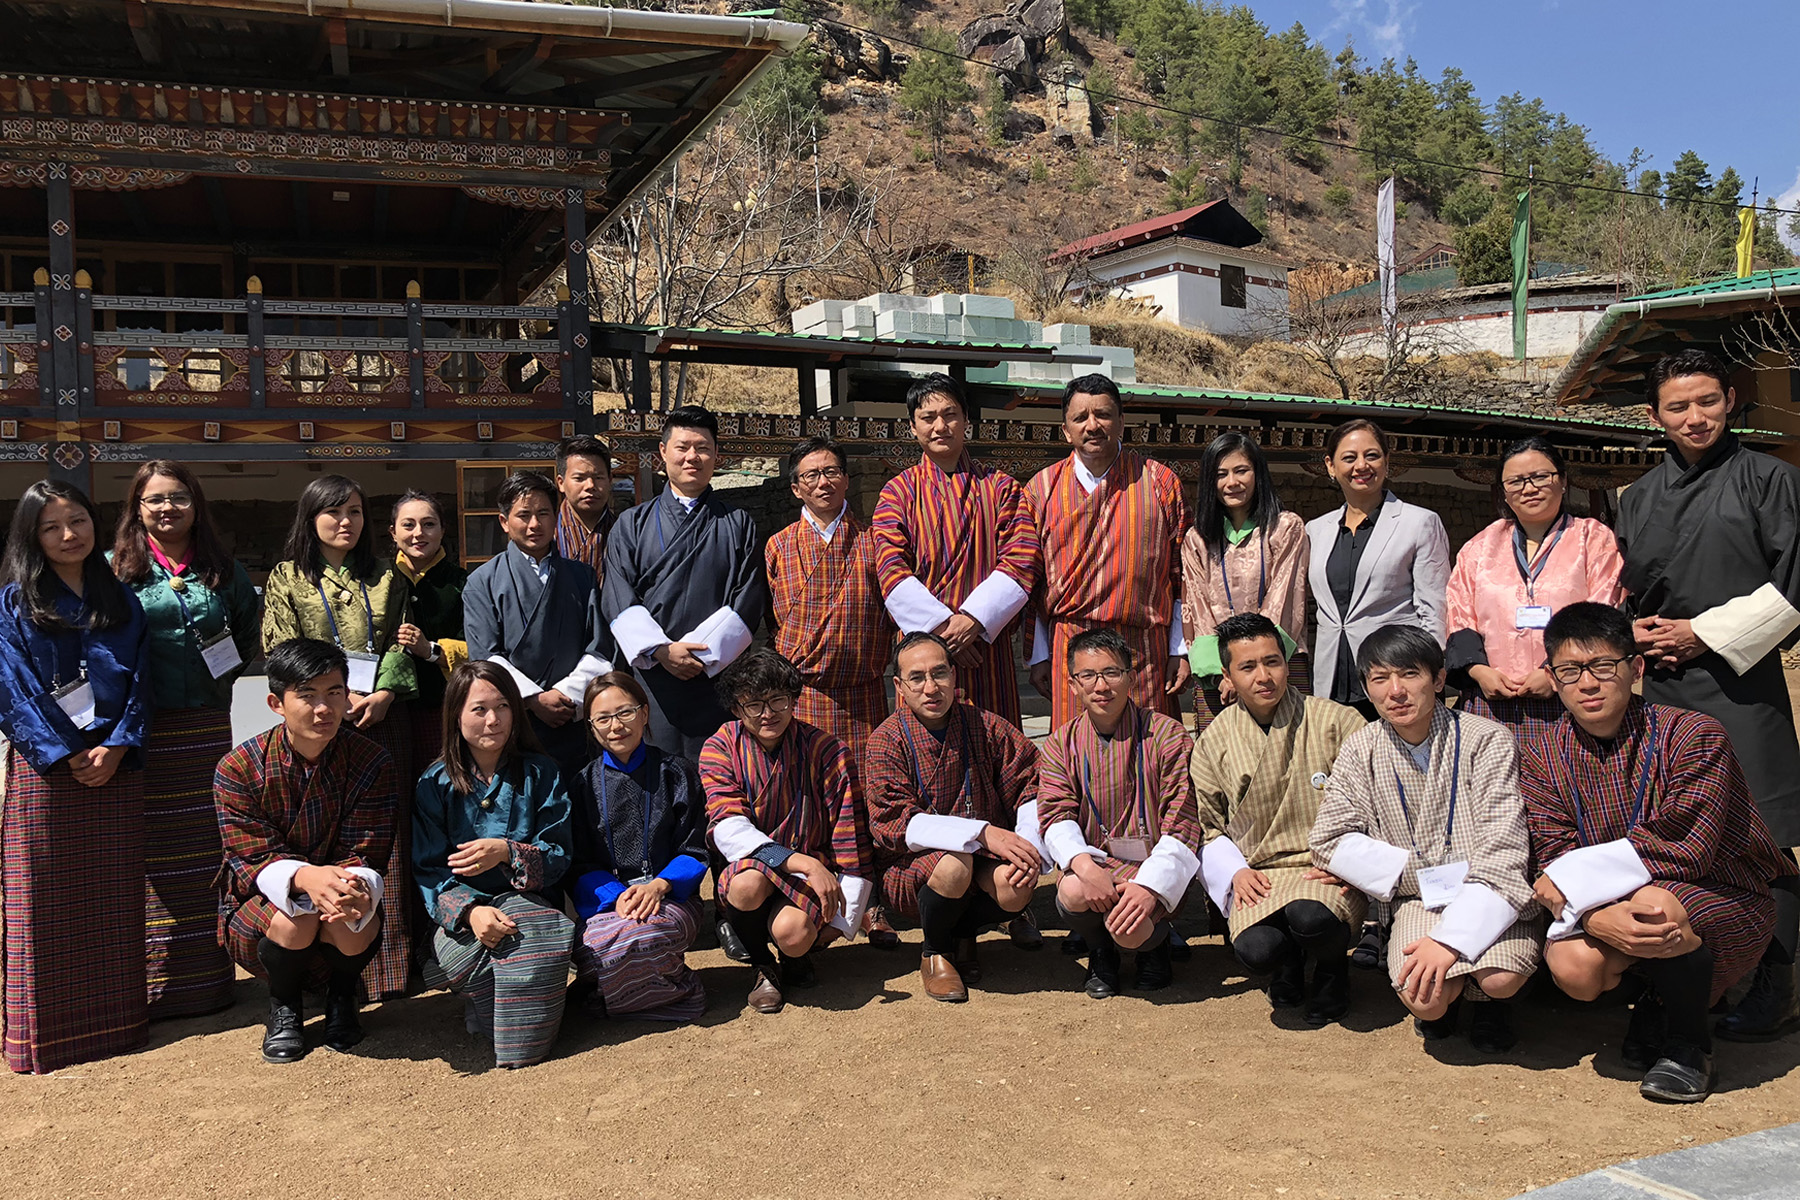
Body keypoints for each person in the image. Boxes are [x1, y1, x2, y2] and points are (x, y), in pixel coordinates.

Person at [1521, 603, 1788, 1103]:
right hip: (1607, 904)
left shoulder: (1693, 735)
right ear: (1552, 679)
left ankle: (1689, 1046)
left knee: (1653, 905)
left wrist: (1581, 890)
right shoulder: (1541, 753)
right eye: (1570, 671)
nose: (1588, 684)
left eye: (1604, 666)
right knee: (1573, 967)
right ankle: (1657, 997)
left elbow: (1686, 845)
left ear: (1635, 667)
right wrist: (1596, 916)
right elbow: (1551, 851)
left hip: (1721, 891)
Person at [1615, 349, 1800, 1043]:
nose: (1695, 418)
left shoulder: (1772, 480)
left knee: (1766, 834)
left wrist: (1704, 632)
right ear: (1655, 416)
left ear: (1730, 398)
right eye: (1678, 407)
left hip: (1740, 680)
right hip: (1663, 686)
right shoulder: (1638, 497)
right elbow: (1624, 589)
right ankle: (1700, 975)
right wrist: (1635, 633)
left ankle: (1778, 988)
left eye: (1707, 402)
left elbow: (1793, 587)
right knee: (1683, 833)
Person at [1309, 624, 1542, 1053]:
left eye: (1409, 674)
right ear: (1367, 688)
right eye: (1380, 679)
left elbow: (1505, 847)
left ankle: (1489, 1004)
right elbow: (1328, 840)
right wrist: (1415, 879)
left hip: (1488, 888)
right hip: (1419, 899)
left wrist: (1448, 940)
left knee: (1501, 978)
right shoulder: (1361, 748)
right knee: (1426, 999)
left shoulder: (1486, 739)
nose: (1395, 691)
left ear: (1437, 679)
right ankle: (1450, 1003)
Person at [0, 480, 151, 1073]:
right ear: (32, 536)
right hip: (49, 773)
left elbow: (140, 678)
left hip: (113, 768)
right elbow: (11, 687)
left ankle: (116, 1023)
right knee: (43, 896)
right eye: (52, 526)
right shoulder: (14, 603)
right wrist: (62, 752)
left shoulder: (121, 598)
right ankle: (49, 1033)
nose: (69, 535)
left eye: (78, 521)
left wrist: (117, 745)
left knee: (113, 895)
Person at [111, 460, 260, 1020]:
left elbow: (247, 628)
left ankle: (207, 981)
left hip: (204, 725)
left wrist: (221, 675)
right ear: (137, 509)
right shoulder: (116, 569)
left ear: (195, 504)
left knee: (204, 844)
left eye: (178, 497)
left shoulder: (222, 570)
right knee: (151, 850)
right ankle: (155, 982)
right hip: (143, 727)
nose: (167, 508)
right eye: (154, 500)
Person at [262, 473, 418, 996]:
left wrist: (386, 694)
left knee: (380, 841)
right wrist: (334, 696)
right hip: (317, 720)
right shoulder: (287, 576)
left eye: (354, 511)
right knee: (320, 830)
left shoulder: (388, 576)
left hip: (378, 718)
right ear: (310, 519)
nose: (345, 521)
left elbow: (399, 640)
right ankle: (312, 967)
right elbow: (280, 649)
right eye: (332, 512)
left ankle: (385, 970)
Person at [214, 639, 395, 1064]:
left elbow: (367, 850)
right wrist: (305, 879)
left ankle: (342, 996)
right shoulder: (237, 767)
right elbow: (250, 855)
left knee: (351, 920)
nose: (323, 709)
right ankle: (284, 1005)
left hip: (341, 888)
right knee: (298, 919)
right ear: (277, 702)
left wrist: (345, 886)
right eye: (307, 695)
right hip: (261, 900)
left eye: (334, 693)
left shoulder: (371, 761)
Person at [1191, 614, 1367, 1025]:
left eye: (1272, 662)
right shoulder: (1214, 739)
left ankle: (1331, 969)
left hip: (1323, 866)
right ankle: (1287, 967)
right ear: (1227, 675)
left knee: (1311, 918)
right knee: (1258, 951)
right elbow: (1207, 824)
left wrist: (1351, 864)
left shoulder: (1334, 721)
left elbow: (1370, 800)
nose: (1263, 676)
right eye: (1247, 667)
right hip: (1259, 871)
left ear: (1288, 662)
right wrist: (1233, 872)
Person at [765, 436, 901, 948]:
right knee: (812, 799)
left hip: (863, 691)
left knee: (867, 796)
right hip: (805, 694)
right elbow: (774, 622)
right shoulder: (778, 546)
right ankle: (815, 897)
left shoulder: (875, 541)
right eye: (810, 475)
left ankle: (872, 905)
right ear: (796, 487)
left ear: (846, 478)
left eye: (831, 472)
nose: (823, 482)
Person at [413, 661, 576, 1069]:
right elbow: (430, 869)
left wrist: (508, 851)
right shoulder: (434, 784)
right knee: (459, 957)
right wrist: (471, 912)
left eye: (503, 706)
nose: (493, 720)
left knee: (529, 943)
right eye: (479, 709)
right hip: (467, 912)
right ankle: (503, 995)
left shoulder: (543, 773)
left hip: (530, 906)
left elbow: (559, 854)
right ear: (455, 716)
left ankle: (515, 1034)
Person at [864, 632, 1042, 1003]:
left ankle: (965, 936)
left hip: (983, 858)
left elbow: (1031, 782)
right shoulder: (886, 740)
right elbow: (896, 824)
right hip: (912, 867)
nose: (931, 687)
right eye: (917, 678)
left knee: (1017, 883)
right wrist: (984, 833)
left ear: (954, 677)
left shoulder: (986, 725)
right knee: (954, 865)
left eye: (940, 673)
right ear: (899, 686)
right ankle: (936, 951)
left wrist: (1024, 842)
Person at [701, 649, 874, 1014]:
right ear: (736, 709)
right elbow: (729, 828)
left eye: (778, 700)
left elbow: (849, 835)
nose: (768, 714)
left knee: (794, 936)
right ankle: (763, 965)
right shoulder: (719, 747)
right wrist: (800, 863)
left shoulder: (828, 750)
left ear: (794, 700)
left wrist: (847, 918)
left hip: (813, 867)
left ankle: (794, 955)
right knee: (745, 887)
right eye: (754, 705)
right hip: (754, 866)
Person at [1037, 629, 1199, 999]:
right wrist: (1086, 866)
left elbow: (1184, 822)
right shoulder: (1061, 744)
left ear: (1131, 676)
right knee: (1075, 890)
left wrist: (1148, 886)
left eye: (1112, 672)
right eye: (1088, 675)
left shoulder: (1167, 735)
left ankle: (1153, 948)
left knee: (1133, 930)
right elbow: (1055, 815)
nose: (1101, 685)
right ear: (1074, 684)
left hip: (1151, 868)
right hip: (1097, 867)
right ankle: (1101, 952)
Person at [871, 373, 1038, 726]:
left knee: (997, 753)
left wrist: (974, 621)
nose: (940, 426)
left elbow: (1022, 557)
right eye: (928, 418)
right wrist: (945, 630)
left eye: (950, 414)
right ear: (913, 427)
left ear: (966, 421)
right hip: (922, 655)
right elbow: (890, 568)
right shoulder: (897, 493)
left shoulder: (1001, 488)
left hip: (985, 653)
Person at [1026, 373, 1189, 728]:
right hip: (1070, 645)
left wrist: (1180, 647)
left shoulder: (1160, 482)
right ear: (1066, 429)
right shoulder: (1042, 489)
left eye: (1103, 414)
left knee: (1148, 753)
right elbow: (1032, 579)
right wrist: (1040, 653)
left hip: (1142, 648)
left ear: (1121, 423)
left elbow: (1182, 575)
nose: (1092, 425)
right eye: (1080, 417)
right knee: (1074, 755)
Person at [604, 404, 766, 760]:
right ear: (663, 453)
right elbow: (617, 596)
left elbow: (749, 598)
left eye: (703, 448)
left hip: (717, 677)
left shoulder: (738, 523)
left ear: (716, 456)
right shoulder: (631, 524)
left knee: (718, 778)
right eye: (682, 447)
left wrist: (701, 655)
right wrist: (662, 651)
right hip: (652, 678)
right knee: (656, 778)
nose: (692, 456)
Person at [1446, 437, 1623, 738]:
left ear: (1563, 481)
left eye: (1540, 477)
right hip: (1493, 700)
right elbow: (1459, 613)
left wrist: (1553, 672)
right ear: (1503, 491)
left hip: (1571, 692)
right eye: (1515, 481)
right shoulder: (1479, 547)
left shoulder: (1592, 539)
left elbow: (1604, 611)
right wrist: (1478, 671)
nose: (1528, 489)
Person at [567, 671, 709, 1023]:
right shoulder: (582, 784)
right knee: (596, 943)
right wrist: (618, 895)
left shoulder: (678, 773)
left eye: (625, 712)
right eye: (603, 718)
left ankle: (615, 999)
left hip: (670, 896)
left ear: (644, 713)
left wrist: (659, 885)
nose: (615, 726)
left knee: (646, 932)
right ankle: (665, 995)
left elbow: (696, 847)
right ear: (591, 726)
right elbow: (579, 862)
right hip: (608, 903)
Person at [463, 470, 612, 776]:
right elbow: (485, 656)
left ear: (556, 516)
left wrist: (567, 694)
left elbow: (599, 645)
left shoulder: (582, 576)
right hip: (514, 718)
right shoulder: (482, 582)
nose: (535, 524)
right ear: (504, 522)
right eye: (524, 515)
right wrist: (533, 698)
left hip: (571, 715)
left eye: (543, 513)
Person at [1306, 420, 1450, 717]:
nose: (1361, 465)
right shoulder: (1316, 530)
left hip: (1395, 676)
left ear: (1387, 462)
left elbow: (1434, 608)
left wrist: (1430, 672)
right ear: (1330, 466)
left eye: (1371, 455)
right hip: (1332, 675)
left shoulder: (1419, 523)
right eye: (1349, 457)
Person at [1182, 430, 1310, 735]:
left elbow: (1286, 599)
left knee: (1289, 759)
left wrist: (1252, 669)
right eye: (1221, 474)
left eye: (1242, 471)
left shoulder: (1286, 528)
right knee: (1223, 763)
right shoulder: (1197, 538)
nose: (1232, 482)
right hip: (1219, 675)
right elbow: (1196, 610)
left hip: (1276, 669)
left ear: (1258, 474)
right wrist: (1227, 674)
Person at [392, 489, 468, 767]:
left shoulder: (462, 583)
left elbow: (477, 645)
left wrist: (431, 650)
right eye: (408, 525)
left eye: (429, 524)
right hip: (386, 708)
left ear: (442, 529)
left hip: (442, 705)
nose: (418, 533)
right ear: (393, 532)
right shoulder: (379, 581)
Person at [554, 433, 616, 584]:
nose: (590, 486)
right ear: (561, 483)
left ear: (610, 480)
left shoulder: (625, 532)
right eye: (579, 478)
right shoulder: (547, 532)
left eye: (598, 478)